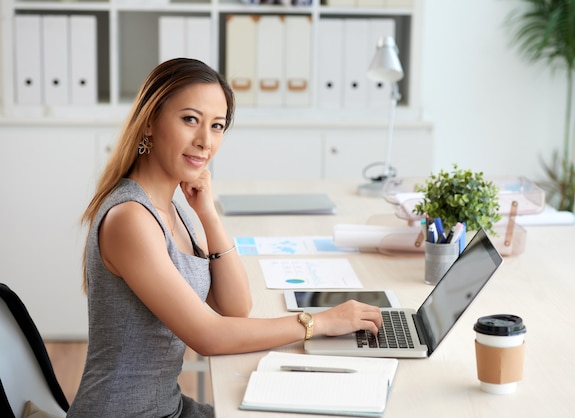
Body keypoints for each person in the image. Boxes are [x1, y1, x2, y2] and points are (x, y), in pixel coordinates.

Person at [67, 58, 382, 417]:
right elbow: (208, 337)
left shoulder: (174, 204)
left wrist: (208, 216)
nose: (205, 141)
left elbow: (234, 307)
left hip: (166, 406)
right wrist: (320, 322)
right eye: (190, 119)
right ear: (150, 121)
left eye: (217, 126)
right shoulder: (130, 218)